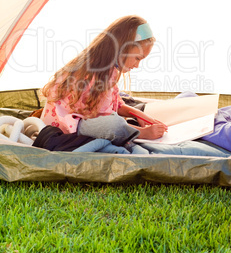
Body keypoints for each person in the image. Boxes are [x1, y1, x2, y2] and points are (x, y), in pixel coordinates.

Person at [40, 15, 168, 151]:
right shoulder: (98, 71)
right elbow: (105, 119)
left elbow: (117, 104)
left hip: (81, 122)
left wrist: (139, 114)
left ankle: (134, 129)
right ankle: (139, 134)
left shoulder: (105, 65)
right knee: (114, 123)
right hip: (69, 126)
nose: (137, 65)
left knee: (115, 121)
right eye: (137, 58)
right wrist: (144, 132)